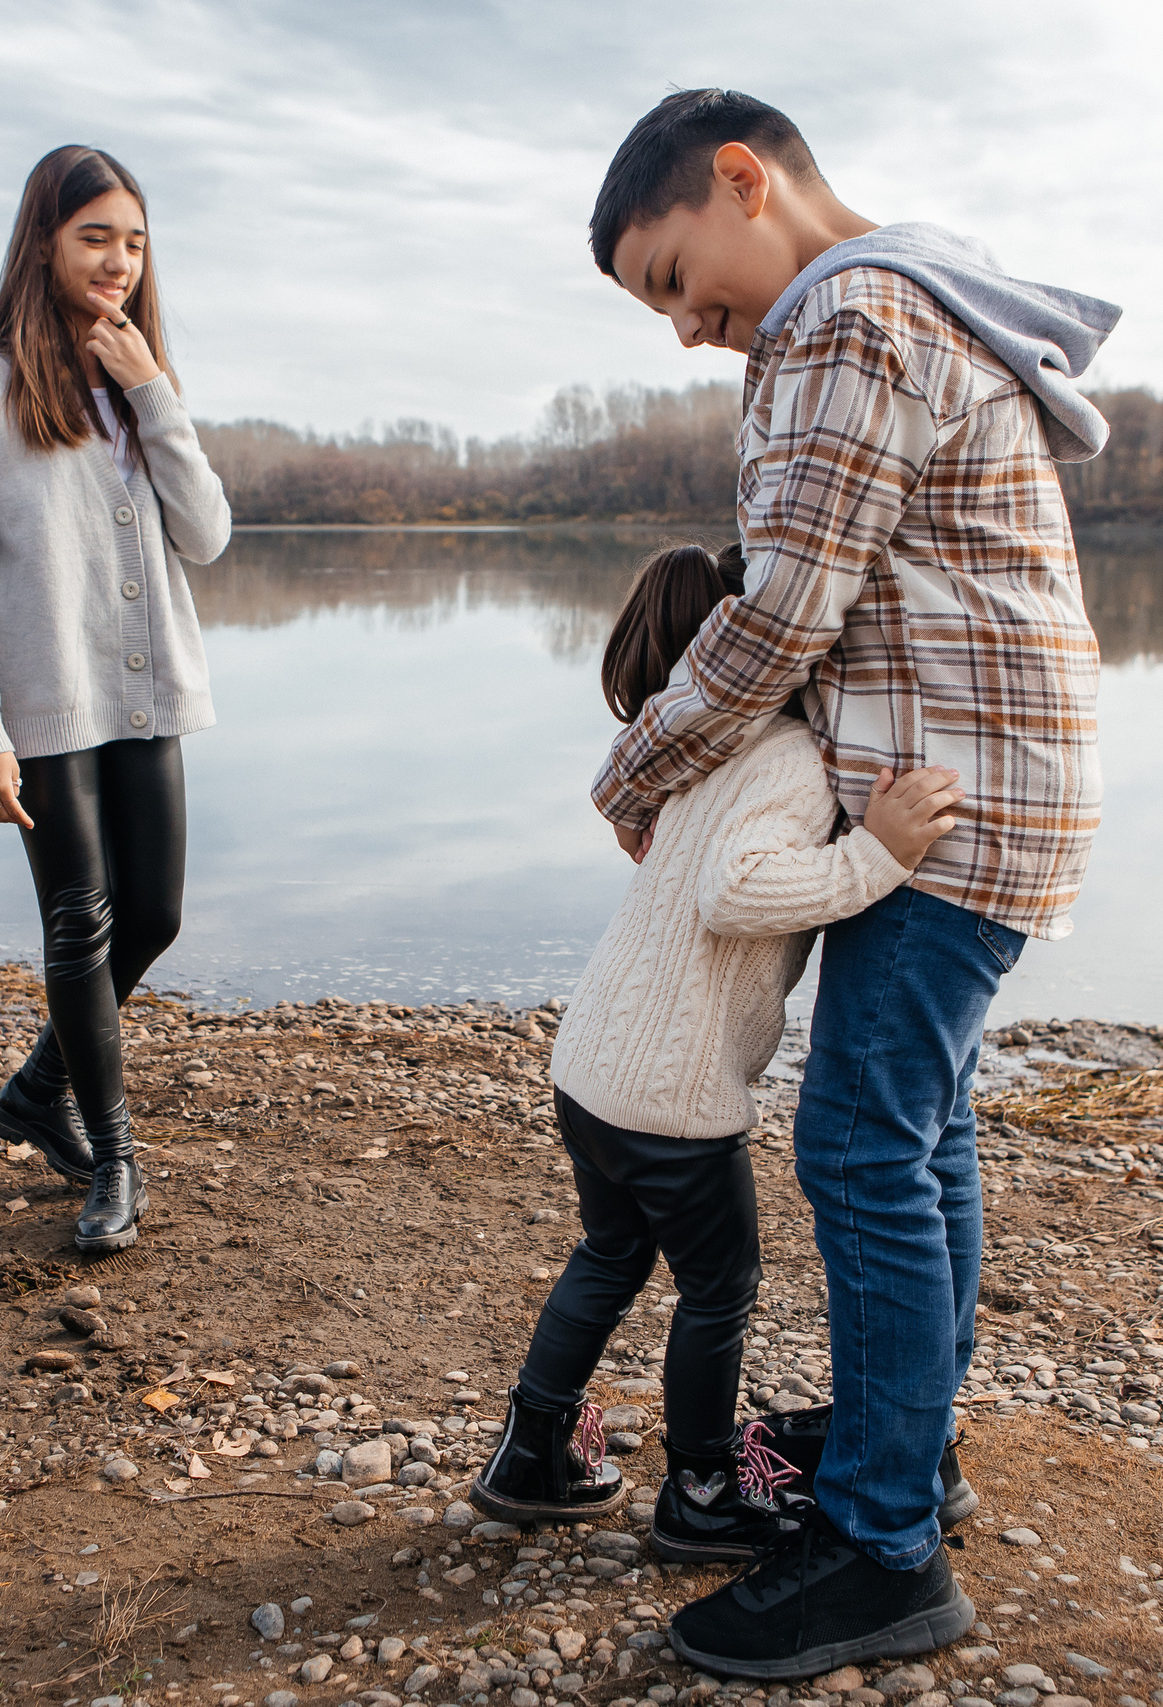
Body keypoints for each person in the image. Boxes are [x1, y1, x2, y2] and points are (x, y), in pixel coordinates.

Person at [586, 90, 1118, 1678]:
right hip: (985, 797)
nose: (689, 327)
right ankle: (911, 1450)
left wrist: (638, 769)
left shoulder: (843, 319)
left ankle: (885, 1546)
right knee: (918, 1126)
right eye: (665, 308)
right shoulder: (898, 301)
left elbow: (777, 617)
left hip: (947, 810)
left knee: (858, 1136)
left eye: (679, 275)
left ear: (746, 181)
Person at [467, 540, 961, 1568]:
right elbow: (732, 892)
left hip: (592, 1072)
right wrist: (879, 854)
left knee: (609, 1256)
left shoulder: (691, 751)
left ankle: (532, 1448)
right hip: (668, 1098)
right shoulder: (782, 759)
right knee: (719, 1286)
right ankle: (697, 1487)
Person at [0, 144, 231, 1255]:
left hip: (147, 702)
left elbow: (209, 538)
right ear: (43, 242)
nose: (119, 260)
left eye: (135, 241)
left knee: (155, 916)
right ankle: (114, 1158)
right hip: (46, 709)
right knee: (79, 923)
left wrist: (151, 393)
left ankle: (34, 1090)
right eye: (96, 236)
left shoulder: (143, 387)